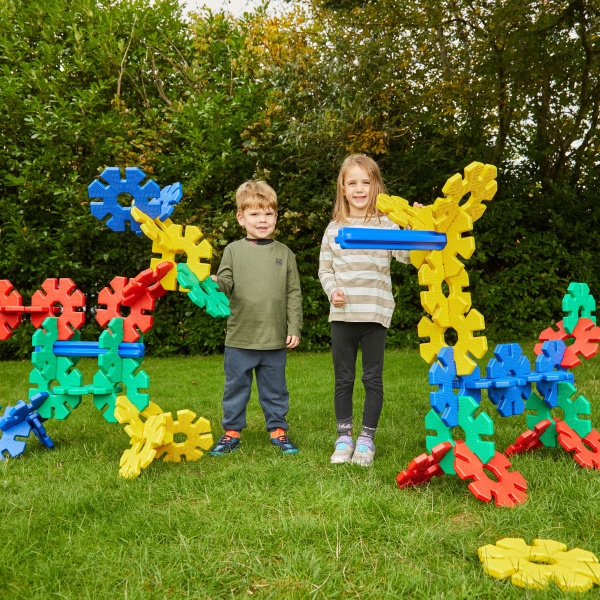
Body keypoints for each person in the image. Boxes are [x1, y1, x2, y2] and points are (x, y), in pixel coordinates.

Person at [318, 154, 411, 467]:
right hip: (343, 317)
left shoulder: (387, 224)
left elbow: (406, 256)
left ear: (376, 187)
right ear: (343, 189)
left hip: (375, 314)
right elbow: (324, 269)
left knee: (373, 380)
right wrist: (333, 291)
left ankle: (366, 439)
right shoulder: (334, 229)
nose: (359, 188)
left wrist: (415, 223)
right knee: (343, 380)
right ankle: (344, 436)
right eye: (352, 182)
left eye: (366, 182)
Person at [210, 180, 303, 456]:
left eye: (268, 214)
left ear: (276, 216)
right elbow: (225, 283)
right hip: (240, 337)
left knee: (275, 390)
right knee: (235, 388)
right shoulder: (233, 251)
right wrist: (215, 281)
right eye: (254, 214)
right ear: (241, 218)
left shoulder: (285, 253)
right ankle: (231, 432)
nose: (262, 220)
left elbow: (294, 293)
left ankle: (278, 430)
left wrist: (294, 327)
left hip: (274, 339)